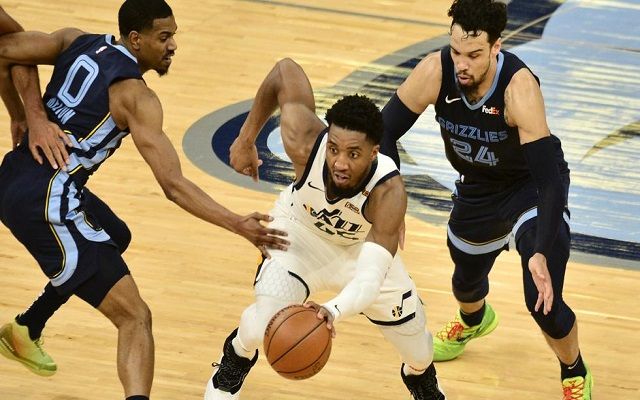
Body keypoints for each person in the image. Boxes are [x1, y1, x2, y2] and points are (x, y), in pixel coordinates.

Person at [0, 1, 289, 398]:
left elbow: (7, 49)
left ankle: (28, 326)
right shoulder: (136, 97)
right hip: (47, 202)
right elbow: (173, 185)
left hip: (13, 176)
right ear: (136, 39)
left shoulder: (74, 40)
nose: (173, 46)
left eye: (173, 36)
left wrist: (24, 114)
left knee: (114, 235)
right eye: (164, 37)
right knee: (135, 318)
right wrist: (237, 223)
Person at [379, 0, 592, 399]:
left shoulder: (518, 89)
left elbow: (549, 182)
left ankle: (573, 369)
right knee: (465, 281)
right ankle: (474, 320)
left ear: (496, 47)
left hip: (528, 188)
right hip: (477, 187)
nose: (462, 64)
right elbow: (384, 131)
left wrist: (541, 251)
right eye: (456, 51)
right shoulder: (434, 71)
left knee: (542, 300)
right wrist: (392, 197)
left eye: (474, 55)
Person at [205, 57, 446, 400]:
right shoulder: (304, 141)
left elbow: (368, 282)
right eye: (334, 149)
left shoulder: (388, 193)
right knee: (263, 323)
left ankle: (420, 377)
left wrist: (332, 310)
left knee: (419, 350)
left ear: (374, 152)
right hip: (299, 234)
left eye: (353, 154)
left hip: (360, 251)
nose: (339, 163)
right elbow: (284, 71)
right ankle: (235, 358)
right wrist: (246, 138)